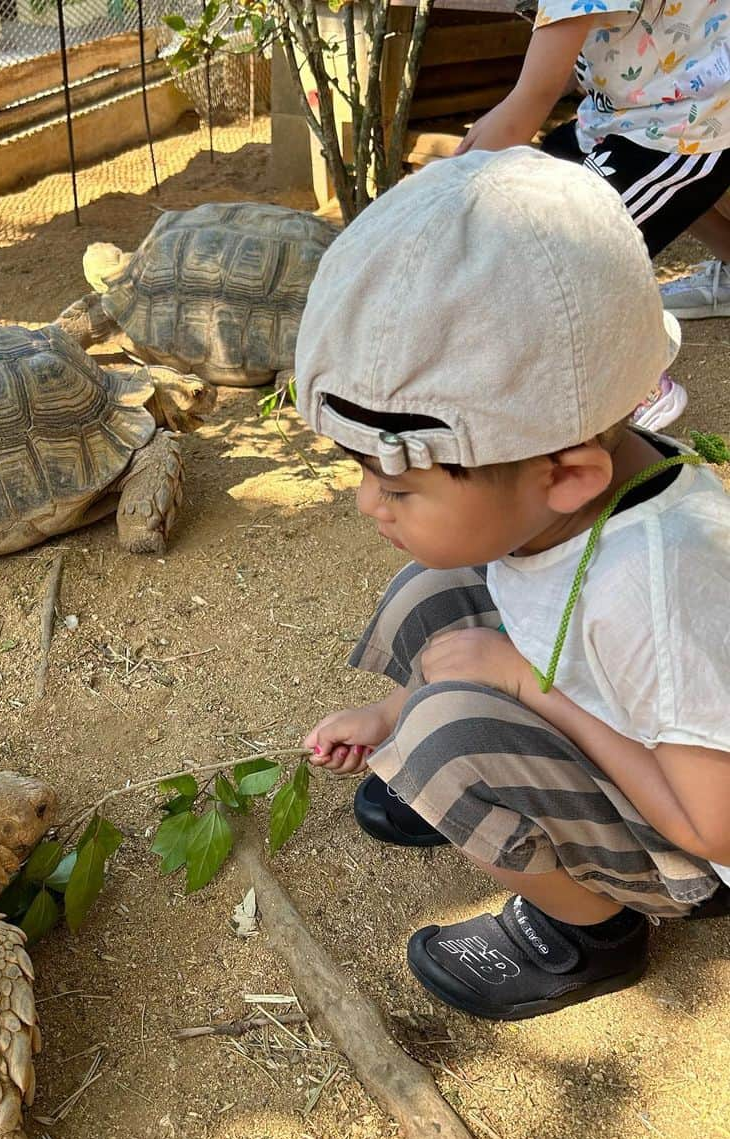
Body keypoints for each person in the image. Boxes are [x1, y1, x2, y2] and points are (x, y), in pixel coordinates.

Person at [296, 148, 730, 1023]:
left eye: (399, 484)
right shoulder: (578, 496)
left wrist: (520, 686)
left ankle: (586, 934)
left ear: (566, 474)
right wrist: (388, 716)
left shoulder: (652, 588)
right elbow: (509, 626)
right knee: (435, 593)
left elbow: (713, 827)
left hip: (694, 845)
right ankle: (461, 767)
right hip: (623, 724)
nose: (364, 501)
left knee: (445, 747)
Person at [456, 2, 730, 429]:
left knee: (562, 253)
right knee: (530, 214)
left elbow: (527, 104)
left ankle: (636, 381)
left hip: (683, 130)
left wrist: (441, 197)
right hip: (619, 116)